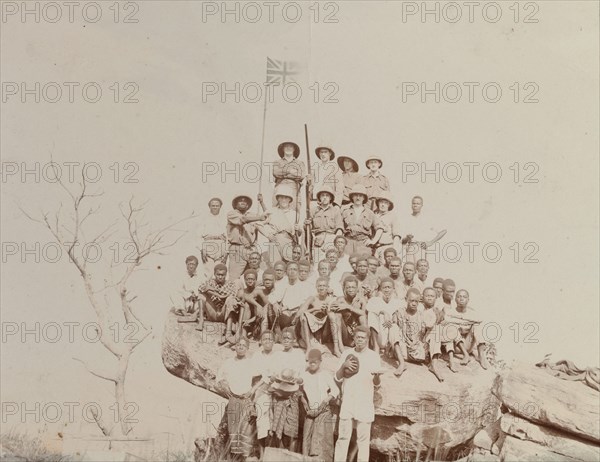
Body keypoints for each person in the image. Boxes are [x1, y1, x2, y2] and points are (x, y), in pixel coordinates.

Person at [334, 326, 382, 462]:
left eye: (363, 338)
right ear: (353, 338)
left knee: (363, 440)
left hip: (364, 402)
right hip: (348, 400)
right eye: (357, 337)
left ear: (367, 340)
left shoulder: (373, 356)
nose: (360, 340)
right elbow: (337, 378)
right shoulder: (346, 354)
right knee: (343, 437)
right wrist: (343, 366)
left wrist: (377, 376)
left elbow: (377, 384)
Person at [215, 337, 257, 460]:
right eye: (239, 345)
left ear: (247, 348)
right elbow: (218, 378)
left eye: (244, 345)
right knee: (233, 433)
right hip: (233, 399)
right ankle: (234, 459)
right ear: (235, 347)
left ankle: (245, 458)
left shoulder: (251, 362)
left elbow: (264, 377)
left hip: (246, 400)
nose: (241, 347)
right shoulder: (228, 362)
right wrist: (225, 387)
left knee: (246, 433)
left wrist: (252, 390)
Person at [398, 288, 445, 382]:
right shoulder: (402, 311)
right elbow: (397, 328)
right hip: (405, 348)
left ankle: (434, 365)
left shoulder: (424, 312)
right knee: (394, 329)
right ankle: (401, 363)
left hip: (419, 348)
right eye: (412, 301)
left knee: (436, 329)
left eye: (416, 301)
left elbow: (425, 328)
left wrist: (437, 319)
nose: (414, 303)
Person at [269, 327, 305, 452]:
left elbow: (302, 377)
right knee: (277, 427)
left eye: (289, 338)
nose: (286, 340)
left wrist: (297, 379)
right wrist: (274, 377)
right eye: (284, 338)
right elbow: (271, 374)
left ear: (294, 340)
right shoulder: (277, 355)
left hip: (292, 396)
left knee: (291, 430)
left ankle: (290, 456)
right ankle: (278, 455)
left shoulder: (299, 355)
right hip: (278, 395)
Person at [301, 349, 339, 462]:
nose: (312, 364)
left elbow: (335, 390)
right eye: (310, 362)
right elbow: (299, 390)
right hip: (310, 412)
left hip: (323, 411)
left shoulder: (325, 375)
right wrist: (303, 400)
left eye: (315, 362)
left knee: (321, 440)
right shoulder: (305, 375)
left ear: (320, 362)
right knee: (307, 438)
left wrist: (326, 400)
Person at [366, 278, 404, 376]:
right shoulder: (375, 300)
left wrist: (392, 319)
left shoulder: (398, 302)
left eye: (389, 287)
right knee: (372, 315)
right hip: (380, 335)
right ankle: (376, 350)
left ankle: (401, 363)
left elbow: (401, 315)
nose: (387, 290)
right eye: (384, 288)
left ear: (393, 289)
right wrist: (384, 312)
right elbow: (368, 307)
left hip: (392, 337)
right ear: (380, 290)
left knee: (394, 326)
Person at [443, 289, 490, 370]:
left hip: (468, 344)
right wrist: (467, 322)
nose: (461, 299)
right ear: (455, 299)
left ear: (468, 300)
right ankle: (465, 355)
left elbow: (480, 320)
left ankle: (481, 356)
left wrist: (461, 319)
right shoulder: (450, 312)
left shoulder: (472, 313)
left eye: (464, 297)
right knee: (451, 326)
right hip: (455, 346)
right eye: (459, 296)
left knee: (477, 326)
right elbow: (446, 320)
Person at [227, 195, 270, 281]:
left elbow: (267, 218)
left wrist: (262, 203)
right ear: (235, 204)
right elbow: (243, 220)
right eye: (240, 201)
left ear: (248, 205)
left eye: (245, 201)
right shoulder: (232, 214)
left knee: (255, 276)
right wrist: (259, 218)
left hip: (251, 250)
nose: (243, 202)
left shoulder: (253, 215)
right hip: (237, 249)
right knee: (234, 278)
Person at [257, 187, 303, 264]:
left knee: (290, 265)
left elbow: (299, 233)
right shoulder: (272, 211)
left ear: (289, 200)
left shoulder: (295, 214)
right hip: (274, 241)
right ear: (278, 199)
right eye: (281, 197)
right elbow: (258, 224)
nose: (283, 200)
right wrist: (268, 235)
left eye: (286, 198)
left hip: (289, 242)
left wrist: (298, 229)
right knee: (275, 266)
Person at [250, 330, 278, 458]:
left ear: (274, 341)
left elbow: (273, 375)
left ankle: (272, 453)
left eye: (270, 339)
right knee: (262, 420)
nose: (268, 341)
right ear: (261, 341)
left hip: (275, 388)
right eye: (265, 339)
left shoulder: (277, 356)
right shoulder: (257, 356)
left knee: (274, 421)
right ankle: (261, 453)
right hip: (260, 389)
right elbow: (254, 374)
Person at [329, 276, 367, 356]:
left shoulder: (361, 300)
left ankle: (366, 346)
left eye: (353, 287)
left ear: (357, 288)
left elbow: (364, 313)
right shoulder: (340, 300)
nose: (350, 289)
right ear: (344, 289)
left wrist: (348, 307)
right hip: (344, 335)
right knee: (337, 315)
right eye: (348, 287)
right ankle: (339, 347)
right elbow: (332, 313)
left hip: (356, 336)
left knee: (362, 317)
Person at [269, 262, 310, 338]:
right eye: (290, 269)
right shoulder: (282, 284)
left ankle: (293, 335)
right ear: (286, 271)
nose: (292, 271)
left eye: (295, 269)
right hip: (284, 313)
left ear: (298, 271)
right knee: (270, 306)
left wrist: (292, 309)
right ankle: (278, 333)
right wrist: (275, 304)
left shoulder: (303, 285)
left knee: (302, 315)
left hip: (296, 314)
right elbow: (272, 296)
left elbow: (305, 303)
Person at [402, 196, 447, 264]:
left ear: (422, 205)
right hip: (409, 248)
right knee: (410, 270)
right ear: (411, 205)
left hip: (421, 247)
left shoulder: (427, 218)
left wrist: (431, 242)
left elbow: (443, 231)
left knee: (420, 270)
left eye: (418, 204)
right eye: (414, 203)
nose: (415, 205)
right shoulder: (407, 218)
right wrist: (407, 238)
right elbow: (402, 241)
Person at [341, 184, 384, 256]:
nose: (358, 198)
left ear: (364, 198)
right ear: (352, 197)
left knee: (363, 264)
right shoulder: (345, 212)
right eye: (356, 195)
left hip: (363, 243)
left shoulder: (369, 213)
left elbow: (380, 228)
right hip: (348, 242)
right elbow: (340, 228)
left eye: (360, 196)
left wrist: (373, 241)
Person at [198, 263, 240, 334]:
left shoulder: (230, 284)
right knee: (201, 295)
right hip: (212, 312)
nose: (220, 277)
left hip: (223, 314)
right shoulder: (210, 282)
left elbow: (229, 294)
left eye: (222, 275)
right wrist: (218, 294)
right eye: (218, 275)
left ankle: (229, 328)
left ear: (226, 275)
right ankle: (201, 320)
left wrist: (210, 289)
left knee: (230, 299)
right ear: (214, 274)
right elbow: (200, 288)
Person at [307, 186, 344, 263]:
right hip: (317, 239)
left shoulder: (335, 211)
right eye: (322, 195)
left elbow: (339, 228)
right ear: (319, 197)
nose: (324, 197)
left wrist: (335, 241)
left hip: (331, 239)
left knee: (331, 263)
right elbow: (308, 228)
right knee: (317, 264)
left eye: (327, 195)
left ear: (330, 198)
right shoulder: (314, 210)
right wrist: (307, 224)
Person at [298, 277, 335, 350]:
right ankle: (308, 345)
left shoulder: (331, 299)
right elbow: (300, 312)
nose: (321, 288)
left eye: (323, 286)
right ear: (316, 287)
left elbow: (334, 317)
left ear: (327, 287)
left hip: (326, 330)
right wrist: (315, 308)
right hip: (313, 328)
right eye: (319, 286)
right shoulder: (313, 298)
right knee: (304, 316)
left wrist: (327, 309)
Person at [197, 197, 228, 278]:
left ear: (220, 207)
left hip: (221, 246)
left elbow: (228, 237)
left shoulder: (225, 219)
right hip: (208, 246)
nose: (215, 207)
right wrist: (202, 250)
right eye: (213, 205)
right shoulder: (204, 219)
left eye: (217, 206)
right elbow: (198, 236)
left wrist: (226, 252)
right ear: (209, 206)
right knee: (208, 273)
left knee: (220, 273)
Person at [273, 141, 306, 211]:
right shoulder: (277, 162)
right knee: (276, 212)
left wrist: (283, 173)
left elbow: (301, 175)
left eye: (290, 146)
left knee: (294, 213)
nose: (288, 148)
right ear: (283, 149)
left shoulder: (299, 163)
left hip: (293, 189)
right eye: (286, 146)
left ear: (294, 149)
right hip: (279, 188)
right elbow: (276, 172)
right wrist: (289, 171)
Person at [372, 192, 402, 264]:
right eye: (381, 202)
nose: (382, 204)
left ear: (389, 205)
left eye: (385, 203)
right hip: (374, 249)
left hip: (387, 247)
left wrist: (394, 250)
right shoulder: (373, 215)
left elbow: (396, 235)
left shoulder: (392, 217)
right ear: (378, 203)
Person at [172, 256, 203, 320]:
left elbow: (202, 288)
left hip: (196, 303)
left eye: (193, 264)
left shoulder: (200, 276)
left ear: (197, 265)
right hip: (185, 303)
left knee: (204, 297)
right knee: (174, 293)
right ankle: (183, 312)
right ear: (186, 264)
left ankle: (197, 313)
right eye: (189, 264)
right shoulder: (181, 275)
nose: (191, 266)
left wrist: (196, 294)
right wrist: (189, 294)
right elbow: (179, 289)